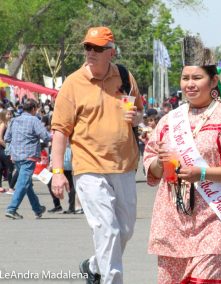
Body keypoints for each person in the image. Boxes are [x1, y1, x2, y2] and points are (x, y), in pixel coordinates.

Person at [143, 36, 221, 284]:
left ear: (214, 80)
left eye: (197, 78)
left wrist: (202, 173)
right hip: (171, 220)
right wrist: (159, 162)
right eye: (186, 78)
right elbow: (150, 164)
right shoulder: (169, 120)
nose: (190, 84)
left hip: (216, 219)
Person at [50, 26, 143, 284]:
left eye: (97, 48)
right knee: (108, 229)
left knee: (124, 230)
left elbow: (139, 113)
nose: (90, 52)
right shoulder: (73, 84)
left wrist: (136, 117)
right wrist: (58, 173)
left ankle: (93, 265)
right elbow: (59, 132)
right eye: (87, 47)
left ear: (110, 52)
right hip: (88, 167)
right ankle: (110, 280)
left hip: (124, 166)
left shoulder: (125, 76)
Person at [4, 99, 49, 219]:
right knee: (23, 183)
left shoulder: (14, 120)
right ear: (34, 109)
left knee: (27, 183)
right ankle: (12, 208)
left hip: (16, 156)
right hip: (29, 156)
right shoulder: (34, 120)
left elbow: (7, 137)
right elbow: (44, 136)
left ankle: (37, 208)